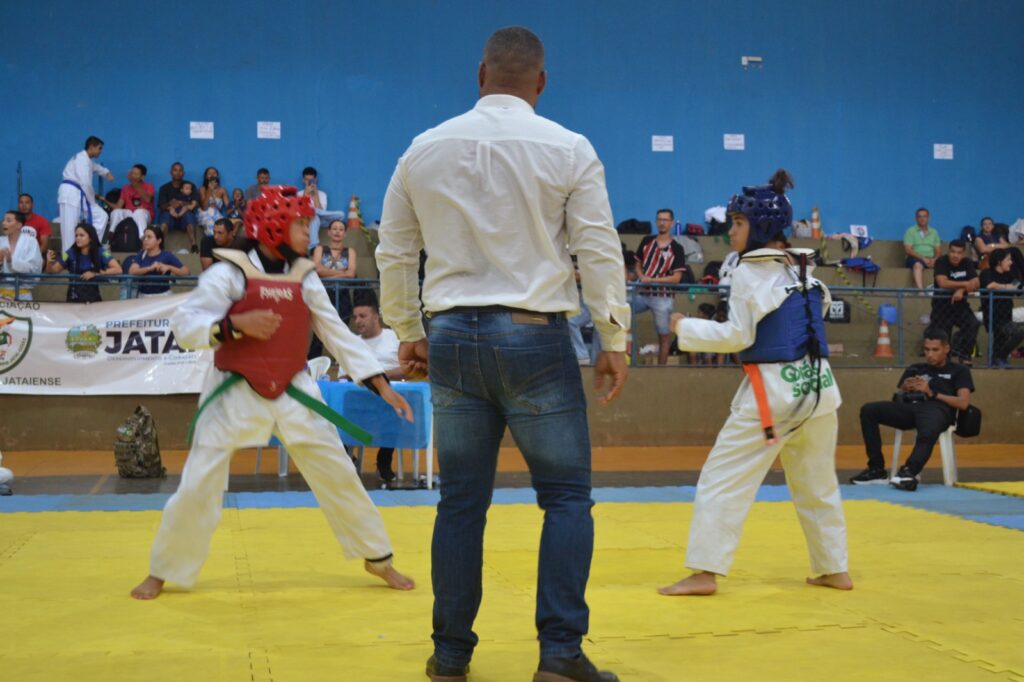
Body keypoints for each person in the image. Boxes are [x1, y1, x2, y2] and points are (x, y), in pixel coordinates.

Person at [376, 26, 628, 682]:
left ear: (480, 74)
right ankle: (560, 656)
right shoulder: (569, 148)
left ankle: (450, 657)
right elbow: (598, 249)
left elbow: (394, 251)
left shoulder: (422, 149)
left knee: (460, 504)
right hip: (535, 337)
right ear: (541, 82)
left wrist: (407, 329)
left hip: (452, 337)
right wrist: (614, 336)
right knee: (566, 499)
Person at [130, 185, 416, 601]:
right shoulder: (229, 273)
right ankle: (163, 569)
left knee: (337, 469)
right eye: (300, 225)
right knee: (200, 480)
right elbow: (186, 325)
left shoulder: (305, 276)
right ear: (272, 227)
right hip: (234, 389)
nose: (307, 233)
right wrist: (234, 325)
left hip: (293, 388)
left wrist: (380, 384)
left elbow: (335, 332)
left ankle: (377, 557)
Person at [659, 169, 851, 598]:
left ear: (762, 227)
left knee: (722, 479)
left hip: (775, 394)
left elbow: (737, 337)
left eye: (739, 222)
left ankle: (704, 572)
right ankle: (834, 568)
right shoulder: (801, 268)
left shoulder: (750, 272)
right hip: (819, 390)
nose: (731, 231)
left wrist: (684, 327)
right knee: (817, 484)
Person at [851, 329, 973, 490]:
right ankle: (876, 470)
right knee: (869, 410)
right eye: (926, 350)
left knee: (928, 429)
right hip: (910, 409)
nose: (930, 354)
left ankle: (909, 472)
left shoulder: (959, 370)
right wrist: (905, 387)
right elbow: (900, 393)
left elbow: (963, 403)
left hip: (938, 409)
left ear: (946, 349)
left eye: (935, 350)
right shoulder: (915, 368)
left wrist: (932, 393)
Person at [350, 300, 406, 483]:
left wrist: (379, 376)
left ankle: (384, 461)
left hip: (389, 400)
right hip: (359, 401)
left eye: (363, 316)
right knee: (336, 410)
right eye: (355, 317)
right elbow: (343, 376)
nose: (358, 321)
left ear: (376, 317)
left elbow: (407, 370)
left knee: (394, 412)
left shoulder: (394, 338)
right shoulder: (351, 344)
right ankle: (347, 457)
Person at [632, 209, 688, 365]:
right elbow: (637, 265)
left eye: (665, 220)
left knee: (664, 336)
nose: (662, 222)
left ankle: (661, 371)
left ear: (671, 223)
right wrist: (642, 276)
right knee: (619, 312)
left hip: (663, 296)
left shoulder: (677, 248)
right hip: (642, 292)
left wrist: (653, 280)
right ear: (656, 221)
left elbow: (677, 278)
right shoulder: (646, 241)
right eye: (659, 219)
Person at [308, 218, 357, 358]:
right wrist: (342, 273)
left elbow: (351, 274)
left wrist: (327, 273)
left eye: (341, 229)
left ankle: (343, 364)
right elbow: (317, 270)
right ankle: (314, 363)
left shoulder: (350, 251)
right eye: (334, 229)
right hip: (322, 295)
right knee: (319, 333)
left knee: (342, 332)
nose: (337, 232)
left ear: (345, 234)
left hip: (343, 296)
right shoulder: (320, 249)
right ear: (329, 232)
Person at [928, 239, 980, 364]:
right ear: (948, 251)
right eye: (953, 252)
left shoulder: (967, 262)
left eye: (959, 253)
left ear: (964, 254)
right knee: (944, 335)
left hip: (960, 305)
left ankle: (964, 355)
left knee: (973, 324)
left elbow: (976, 282)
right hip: (942, 306)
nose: (955, 255)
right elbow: (942, 282)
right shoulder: (942, 261)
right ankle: (945, 361)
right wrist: (965, 284)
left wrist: (961, 290)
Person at [46, 222, 122, 303]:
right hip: (73, 300)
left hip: (93, 300)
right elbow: (52, 270)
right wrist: (49, 262)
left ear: (91, 238)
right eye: (76, 236)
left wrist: (95, 274)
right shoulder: (68, 253)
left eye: (82, 235)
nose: (78, 238)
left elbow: (118, 269)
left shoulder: (102, 252)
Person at [57, 136, 111, 249]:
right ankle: (68, 257)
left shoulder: (87, 160)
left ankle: (91, 246)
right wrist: (92, 201)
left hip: (79, 196)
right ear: (91, 147)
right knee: (70, 229)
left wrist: (106, 173)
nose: (101, 151)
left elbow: (96, 167)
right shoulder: (81, 159)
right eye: (99, 148)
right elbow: (85, 184)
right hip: (70, 195)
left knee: (101, 216)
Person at [979, 248, 1024, 367]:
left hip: (1006, 314)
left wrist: (1001, 286)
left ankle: (996, 360)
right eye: (1008, 260)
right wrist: (1007, 287)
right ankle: (1000, 357)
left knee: (1001, 339)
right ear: (999, 262)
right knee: (1018, 332)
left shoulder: (1009, 274)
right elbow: (990, 286)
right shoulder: (987, 273)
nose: (1011, 262)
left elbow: (1018, 287)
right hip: (992, 315)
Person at [128, 226, 190, 297]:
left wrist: (169, 267)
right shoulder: (141, 254)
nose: (145, 240)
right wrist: (150, 268)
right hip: (143, 296)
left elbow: (186, 272)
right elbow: (132, 271)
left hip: (163, 296)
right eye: (144, 237)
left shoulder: (167, 255)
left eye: (149, 237)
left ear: (159, 241)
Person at [156, 163, 199, 252]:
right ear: (171, 172)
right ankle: (159, 246)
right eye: (175, 170)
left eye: (180, 170)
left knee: (189, 216)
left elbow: (194, 203)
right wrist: (170, 207)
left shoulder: (190, 185)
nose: (178, 173)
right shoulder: (164, 188)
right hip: (169, 214)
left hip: (185, 214)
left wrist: (180, 203)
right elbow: (161, 205)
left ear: (183, 173)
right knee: (165, 218)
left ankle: (194, 246)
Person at [0, 211, 43, 301]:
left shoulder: (31, 242)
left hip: (22, 294)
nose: (4, 223)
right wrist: (0, 262)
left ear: (19, 225)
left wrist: (11, 261)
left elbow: (34, 268)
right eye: (4, 220)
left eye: (8, 220)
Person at [107, 164, 156, 239]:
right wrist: (103, 200)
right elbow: (118, 207)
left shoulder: (149, 186)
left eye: (136, 174)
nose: (133, 176)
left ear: (142, 177)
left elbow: (148, 199)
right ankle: (112, 234)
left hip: (144, 215)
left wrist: (135, 184)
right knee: (116, 212)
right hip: (129, 213)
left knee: (139, 212)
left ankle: (142, 238)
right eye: (132, 173)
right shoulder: (125, 188)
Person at [904, 207, 942, 290]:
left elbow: (938, 250)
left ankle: (940, 291)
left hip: (931, 259)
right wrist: (923, 258)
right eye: (919, 216)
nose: (922, 219)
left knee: (944, 264)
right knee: (918, 265)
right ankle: (921, 291)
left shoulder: (934, 232)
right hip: (915, 258)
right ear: (916, 219)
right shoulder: (910, 231)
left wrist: (934, 260)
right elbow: (908, 250)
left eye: (924, 216)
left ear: (929, 218)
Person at [298, 166, 328, 251]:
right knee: (314, 217)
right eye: (306, 180)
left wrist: (315, 194)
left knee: (340, 215)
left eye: (311, 180)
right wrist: (306, 195)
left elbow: (321, 211)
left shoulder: (322, 194)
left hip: (320, 219)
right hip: (304, 219)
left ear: (316, 180)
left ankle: (313, 246)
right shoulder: (298, 194)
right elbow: (300, 212)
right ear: (303, 180)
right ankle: (313, 247)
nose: (309, 182)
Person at [197, 167, 229, 238]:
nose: (212, 175)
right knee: (210, 223)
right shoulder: (202, 189)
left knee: (223, 226)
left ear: (217, 176)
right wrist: (209, 189)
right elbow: (204, 207)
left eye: (214, 173)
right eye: (209, 173)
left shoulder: (222, 190)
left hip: (217, 214)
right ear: (206, 177)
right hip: (205, 215)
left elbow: (228, 207)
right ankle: (212, 242)